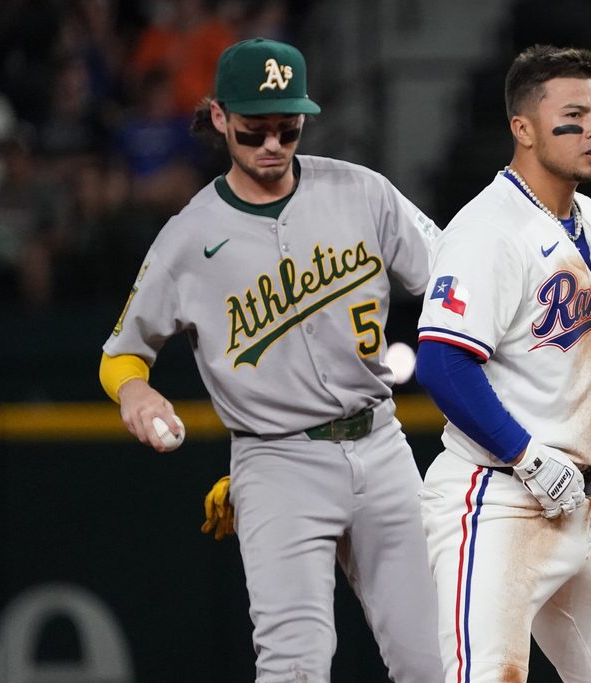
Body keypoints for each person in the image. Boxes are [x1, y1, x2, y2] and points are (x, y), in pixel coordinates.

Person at [98, 38, 444, 682]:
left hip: (380, 443)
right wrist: (134, 393)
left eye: (288, 129)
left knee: (436, 663)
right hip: (276, 459)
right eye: (256, 130)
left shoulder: (362, 192)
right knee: (296, 666)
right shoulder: (190, 235)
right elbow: (122, 353)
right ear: (220, 116)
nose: (273, 146)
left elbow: (455, 284)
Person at [415, 44, 591, 682]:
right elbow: (442, 363)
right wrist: (525, 454)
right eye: (573, 116)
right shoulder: (489, 230)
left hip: (581, 502)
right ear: (523, 128)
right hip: (498, 499)